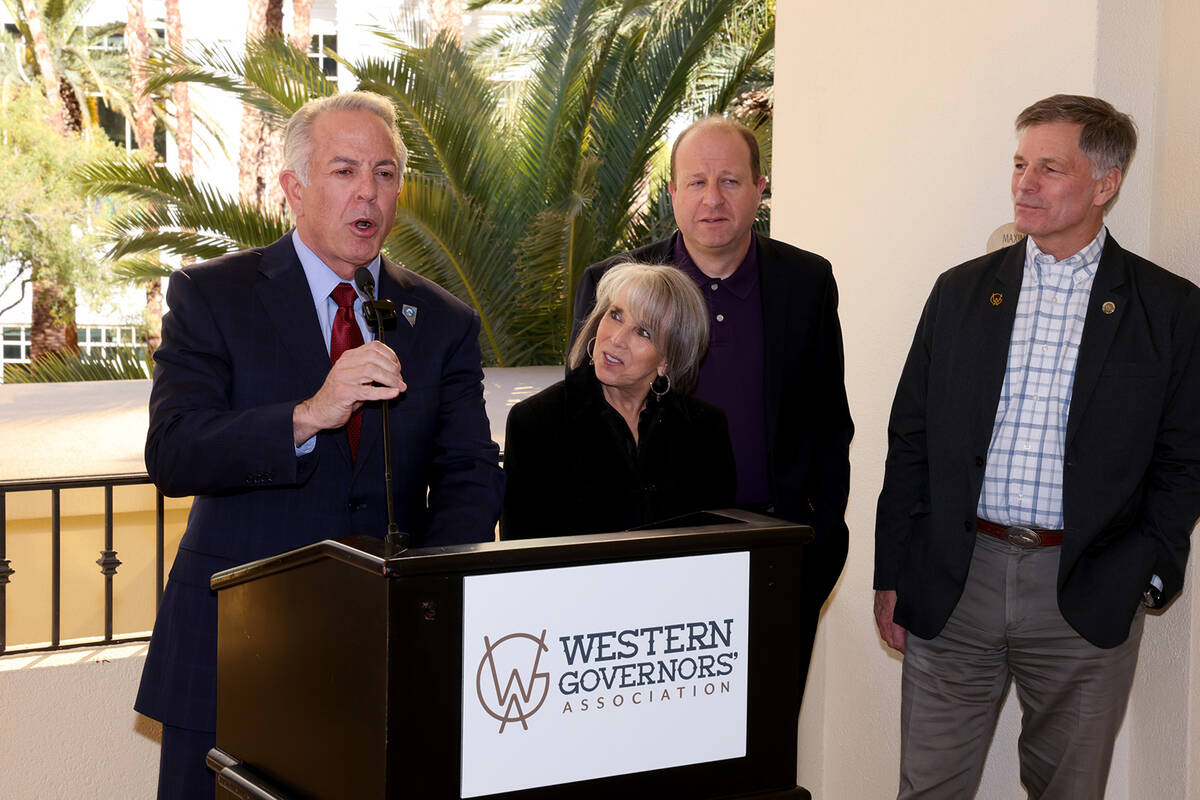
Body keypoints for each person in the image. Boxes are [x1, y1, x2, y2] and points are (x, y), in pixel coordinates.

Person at [135, 91, 505, 798]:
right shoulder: (212, 295)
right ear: (294, 189)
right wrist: (307, 415)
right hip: (235, 647)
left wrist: (425, 598)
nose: (369, 192)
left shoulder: (442, 322)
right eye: (344, 171)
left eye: (386, 172)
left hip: (380, 655)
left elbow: (469, 474)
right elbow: (175, 451)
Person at [874, 94, 1200, 798]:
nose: (1024, 183)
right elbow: (911, 441)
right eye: (1020, 164)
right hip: (956, 578)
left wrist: (1148, 572)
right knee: (927, 786)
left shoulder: (1169, 309)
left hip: (1084, 586)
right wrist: (892, 569)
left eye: (1049, 168)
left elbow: (1184, 458)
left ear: (1104, 185)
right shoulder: (960, 293)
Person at [572, 117, 853, 692]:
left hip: (774, 557)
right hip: (648, 567)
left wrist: (819, 545)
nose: (712, 199)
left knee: (765, 752)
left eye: (730, 180)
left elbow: (830, 425)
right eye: (695, 182)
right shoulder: (614, 285)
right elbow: (580, 430)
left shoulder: (806, 282)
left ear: (759, 188)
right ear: (671, 192)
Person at [502, 262, 734, 538]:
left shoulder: (705, 429)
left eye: (643, 332)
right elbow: (522, 555)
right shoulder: (535, 422)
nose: (617, 339)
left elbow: (717, 549)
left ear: (667, 360)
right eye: (616, 315)